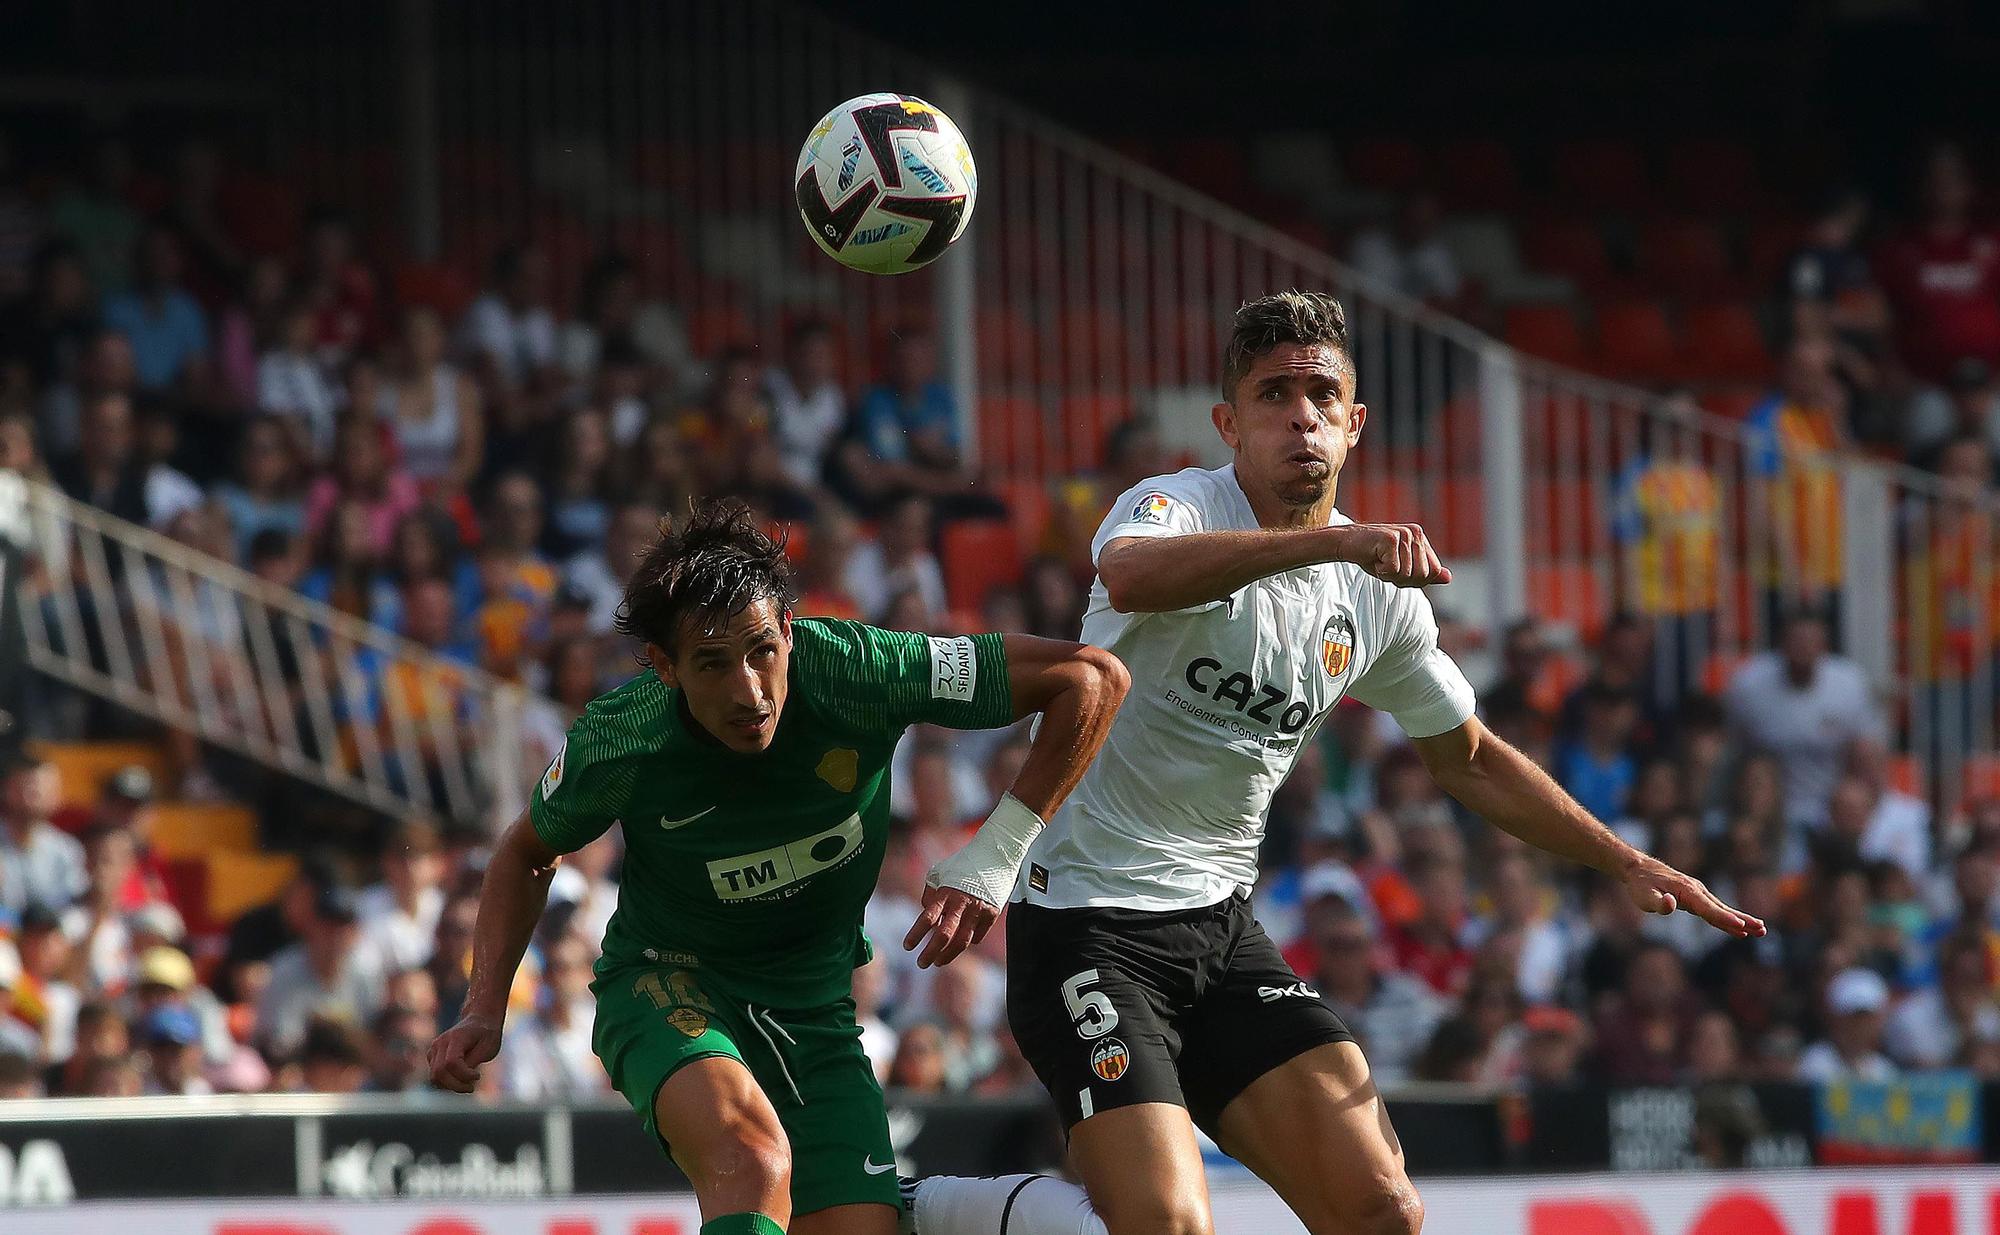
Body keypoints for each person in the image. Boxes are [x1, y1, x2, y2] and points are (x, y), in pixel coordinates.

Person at [1000, 292, 1759, 1235]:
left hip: (1219, 932)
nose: (1301, 416)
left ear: (1353, 424)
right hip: (1083, 925)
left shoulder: (1379, 599)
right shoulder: (1177, 507)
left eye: (1321, 395)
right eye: (1273, 395)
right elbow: (1131, 575)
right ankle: (949, 1213)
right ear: (1230, 423)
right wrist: (1335, 541)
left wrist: (1625, 859)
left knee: (1383, 1212)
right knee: (1167, 1227)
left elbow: (1472, 758)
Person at [427, 500, 1129, 1235]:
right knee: (752, 1161)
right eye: (711, 662)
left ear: (790, 631)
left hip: (815, 1006)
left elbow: (1092, 678)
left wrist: (994, 857)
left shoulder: (862, 669)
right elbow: (524, 852)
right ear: (664, 667)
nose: (749, 690)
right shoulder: (624, 738)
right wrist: (483, 1005)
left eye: (762, 649)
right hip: (670, 980)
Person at [1725, 608, 1887, 831]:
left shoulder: (1849, 683)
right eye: (1796, 640)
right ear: (1781, 644)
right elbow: (1735, 746)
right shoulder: (1750, 685)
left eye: (1811, 641)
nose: (1803, 648)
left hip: (1833, 803)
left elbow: (1868, 751)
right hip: (1770, 806)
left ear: (1824, 646)